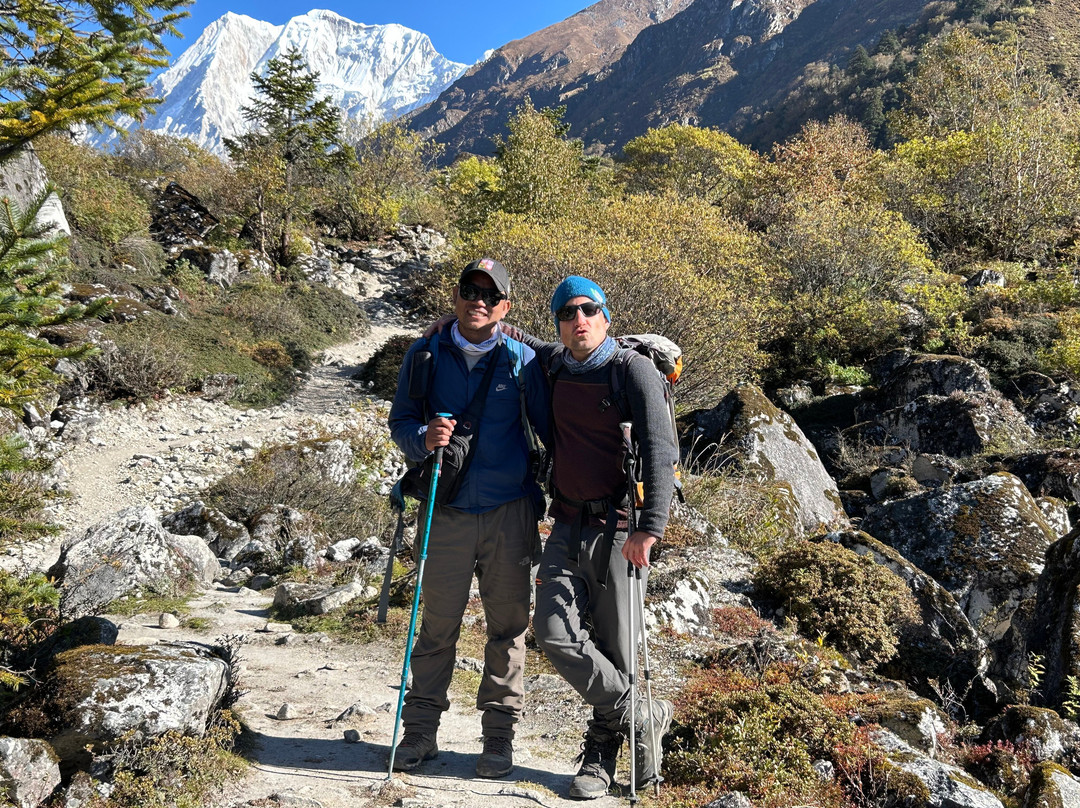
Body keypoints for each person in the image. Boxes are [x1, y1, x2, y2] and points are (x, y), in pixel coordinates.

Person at [387, 257, 549, 779]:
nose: (477, 300)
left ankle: (498, 740)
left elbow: (554, 424)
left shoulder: (525, 361)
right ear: (455, 297)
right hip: (446, 509)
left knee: (508, 627)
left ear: (506, 306)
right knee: (437, 627)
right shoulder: (425, 353)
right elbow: (401, 423)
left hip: (510, 511)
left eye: (490, 295)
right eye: (469, 291)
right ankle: (419, 735)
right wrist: (421, 439)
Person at [525, 276, 678, 799]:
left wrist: (649, 528)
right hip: (565, 523)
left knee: (616, 649)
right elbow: (516, 336)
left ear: (606, 316)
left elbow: (661, 450)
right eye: (567, 313)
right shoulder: (555, 363)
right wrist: (456, 325)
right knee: (552, 632)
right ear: (559, 325)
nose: (579, 319)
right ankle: (643, 713)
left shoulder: (631, 371)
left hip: (618, 529)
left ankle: (602, 755)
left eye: (589, 310)